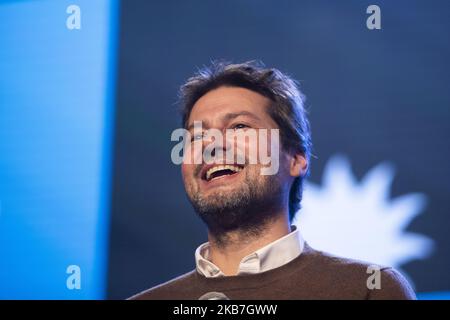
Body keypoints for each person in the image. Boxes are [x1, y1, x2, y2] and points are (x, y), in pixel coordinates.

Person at [130, 61, 416, 300]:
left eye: (239, 126)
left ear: (296, 159)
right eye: (197, 136)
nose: (212, 145)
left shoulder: (367, 291)